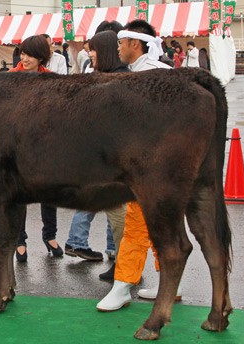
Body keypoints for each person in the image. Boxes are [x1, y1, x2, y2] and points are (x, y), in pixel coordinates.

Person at [96, 19, 181, 312]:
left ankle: (122, 286)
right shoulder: (156, 72)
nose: (118, 47)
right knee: (158, 224)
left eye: (121, 42)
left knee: (135, 226)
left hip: (149, 167)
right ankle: (170, 282)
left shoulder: (148, 77)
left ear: (135, 43)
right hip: (162, 167)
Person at [64, 31, 128, 267]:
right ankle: (118, 256)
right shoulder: (97, 76)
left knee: (105, 203)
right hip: (98, 156)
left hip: (111, 157)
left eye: (93, 49)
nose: (89, 54)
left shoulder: (120, 79)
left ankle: (118, 256)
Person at [9, 35, 63, 262]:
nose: (25, 58)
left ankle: (49, 236)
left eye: (30, 54)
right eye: (22, 53)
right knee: (18, 195)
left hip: (45, 145)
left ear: (41, 56)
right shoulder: (10, 79)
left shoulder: (51, 80)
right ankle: (19, 240)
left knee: (49, 192)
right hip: (16, 145)